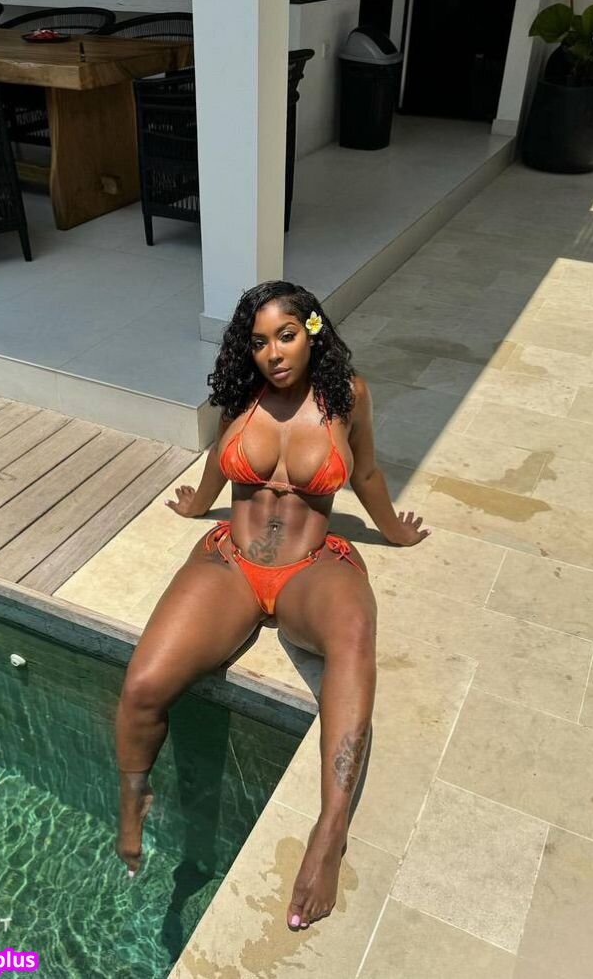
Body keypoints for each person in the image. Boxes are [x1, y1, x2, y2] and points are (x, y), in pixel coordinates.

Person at [114, 280, 430, 930]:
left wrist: (393, 529)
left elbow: (366, 472)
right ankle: (133, 792)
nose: (273, 354)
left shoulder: (347, 396)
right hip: (233, 563)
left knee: (353, 633)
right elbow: (217, 456)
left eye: (285, 336)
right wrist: (198, 505)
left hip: (308, 568)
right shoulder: (241, 393)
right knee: (142, 684)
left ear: (311, 331)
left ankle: (329, 832)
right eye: (258, 342)